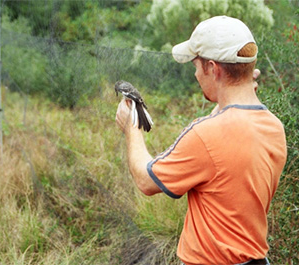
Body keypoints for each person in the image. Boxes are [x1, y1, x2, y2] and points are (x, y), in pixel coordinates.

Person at [115, 16, 287, 265]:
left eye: (196, 66)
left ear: (212, 69)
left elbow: (146, 180)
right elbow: (227, 133)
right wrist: (239, 91)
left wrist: (132, 128)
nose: (196, 74)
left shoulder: (205, 136)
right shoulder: (273, 127)